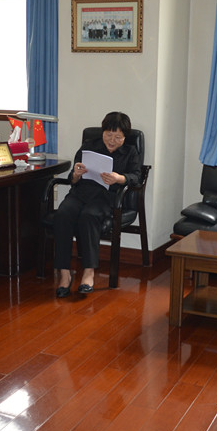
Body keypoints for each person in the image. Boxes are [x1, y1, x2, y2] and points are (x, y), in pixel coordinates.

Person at [53, 111, 143, 298]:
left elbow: (136, 177)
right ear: (102, 132)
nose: (112, 140)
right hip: (80, 193)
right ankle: (64, 273)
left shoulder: (130, 152)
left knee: (89, 216)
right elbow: (72, 178)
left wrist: (119, 178)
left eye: (117, 137)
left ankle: (88, 272)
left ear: (125, 137)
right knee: (63, 214)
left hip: (105, 197)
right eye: (108, 135)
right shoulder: (89, 146)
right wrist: (76, 174)